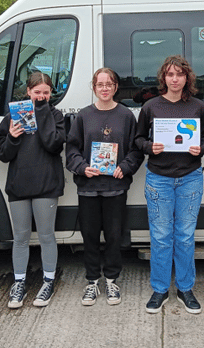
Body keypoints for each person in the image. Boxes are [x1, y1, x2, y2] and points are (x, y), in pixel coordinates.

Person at [134, 55, 204, 315]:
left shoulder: (197, 107)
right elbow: (138, 139)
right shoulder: (151, 107)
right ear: (163, 78)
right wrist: (149, 147)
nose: (175, 79)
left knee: (186, 236)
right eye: (170, 74)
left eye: (179, 74)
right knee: (160, 237)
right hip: (159, 179)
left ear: (187, 78)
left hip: (190, 177)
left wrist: (199, 148)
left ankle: (185, 288)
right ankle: (159, 289)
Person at [65, 68, 144, 306]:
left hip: (115, 187)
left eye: (109, 84)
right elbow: (71, 149)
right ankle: (92, 281)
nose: (105, 88)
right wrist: (81, 167)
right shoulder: (83, 116)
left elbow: (136, 149)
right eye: (100, 84)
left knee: (113, 236)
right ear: (94, 87)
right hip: (88, 187)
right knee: (89, 236)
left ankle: (111, 280)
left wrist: (126, 166)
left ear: (116, 87)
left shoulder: (126, 116)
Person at [0, 72, 65, 308]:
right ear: (28, 92)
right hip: (19, 184)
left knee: (46, 235)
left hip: (46, 184)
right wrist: (12, 137)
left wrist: (42, 113)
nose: (42, 97)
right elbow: (2, 154)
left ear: (51, 93)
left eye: (46, 93)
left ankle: (48, 281)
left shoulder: (56, 115)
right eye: (37, 93)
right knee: (21, 238)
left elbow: (53, 144)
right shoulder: (14, 116)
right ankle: (19, 282)